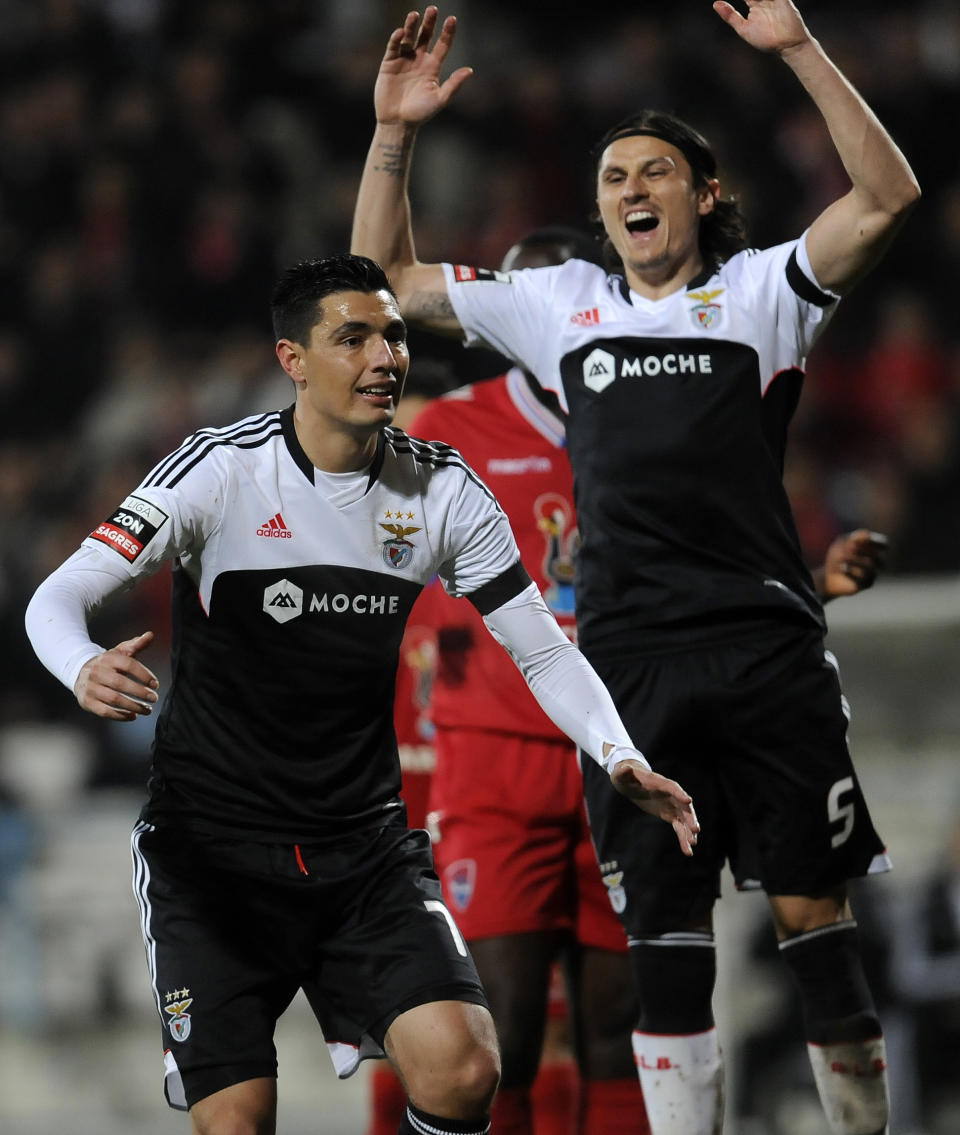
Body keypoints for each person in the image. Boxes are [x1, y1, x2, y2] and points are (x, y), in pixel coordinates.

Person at [350, 4, 920, 1133]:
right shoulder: (565, 305)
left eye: (655, 170)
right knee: (662, 952)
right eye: (613, 176)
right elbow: (384, 280)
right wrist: (392, 133)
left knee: (816, 922)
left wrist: (798, 50)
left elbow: (888, 197)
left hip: (765, 651)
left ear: (703, 194)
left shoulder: (764, 291)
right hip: (630, 667)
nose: (629, 188)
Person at [24, 253, 698, 1135]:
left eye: (393, 334)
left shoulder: (444, 489)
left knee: (465, 1069)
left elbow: (542, 652)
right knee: (236, 1121)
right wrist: (81, 664)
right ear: (292, 359)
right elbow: (58, 595)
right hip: (214, 856)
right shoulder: (219, 471)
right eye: (354, 337)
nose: (385, 355)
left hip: (363, 850)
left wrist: (618, 753)